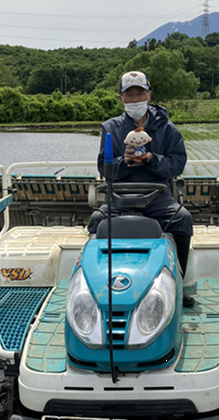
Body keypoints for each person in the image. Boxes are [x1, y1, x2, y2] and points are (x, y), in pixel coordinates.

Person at [87, 71, 194, 306]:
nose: (135, 100)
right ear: (121, 99)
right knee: (96, 220)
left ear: (149, 94)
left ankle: (179, 282)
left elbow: (177, 164)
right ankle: (95, 286)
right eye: (130, 95)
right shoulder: (110, 128)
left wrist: (150, 159)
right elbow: (104, 170)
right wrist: (122, 162)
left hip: (158, 196)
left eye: (140, 94)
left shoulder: (167, 129)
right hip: (120, 196)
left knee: (182, 219)